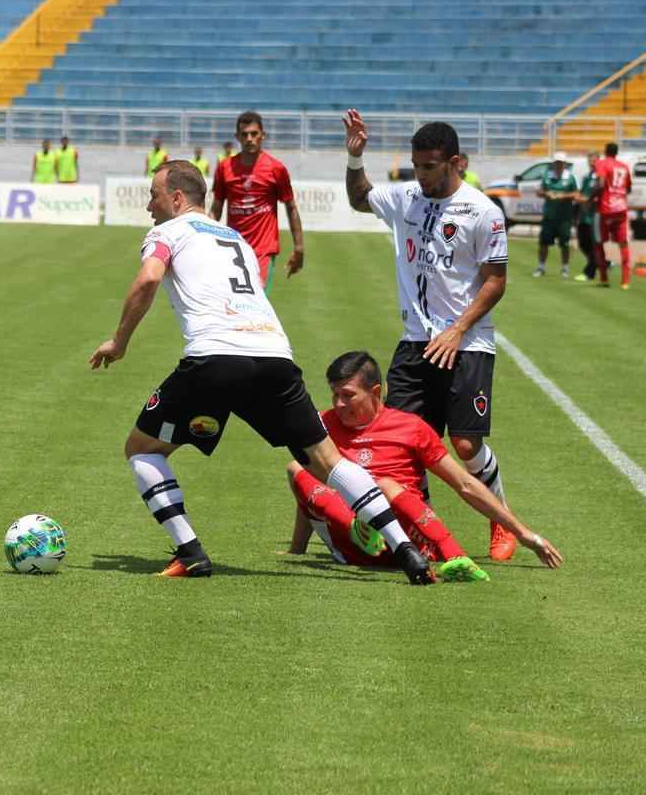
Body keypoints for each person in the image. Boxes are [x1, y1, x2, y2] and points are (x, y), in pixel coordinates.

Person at [88, 160, 434, 584]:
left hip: (214, 357)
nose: (148, 205)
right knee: (328, 460)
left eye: (153, 195)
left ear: (177, 198)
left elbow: (147, 280)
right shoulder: (234, 237)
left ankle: (191, 552)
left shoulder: (167, 232)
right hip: (274, 355)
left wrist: (119, 341)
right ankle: (406, 549)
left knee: (142, 449)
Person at [342, 110, 518, 562]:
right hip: (416, 341)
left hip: (467, 342)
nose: (419, 177)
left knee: (464, 444)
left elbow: (495, 280)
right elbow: (360, 198)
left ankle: (500, 518)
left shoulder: (483, 212)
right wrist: (355, 157)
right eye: (416, 166)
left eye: (429, 168)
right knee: (401, 442)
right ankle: (423, 531)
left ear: (455, 162)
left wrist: (458, 330)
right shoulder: (407, 198)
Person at [286, 351, 564, 578]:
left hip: (410, 538)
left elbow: (465, 484)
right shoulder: (325, 424)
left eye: (348, 395)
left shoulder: (411, 428)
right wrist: (296, 549)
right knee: (298, 467)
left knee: (383, 486)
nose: (339, 403)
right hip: (351, 543)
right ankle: (359, 529)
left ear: (376, 391)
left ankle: (453, 555)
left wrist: (525, 534)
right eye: (335, 395)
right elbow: (308, 494)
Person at [210, 110, 305, 291]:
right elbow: (216, 207)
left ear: (263, 135)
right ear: (237, 137)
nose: (249, 139)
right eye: (244, 134)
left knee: (255, 303)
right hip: (232, 249)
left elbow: (291, 207)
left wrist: (299, 247)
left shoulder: (276, 169)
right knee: (233, 307)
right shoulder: (224, 168)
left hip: (263, 251)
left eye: (254, 134)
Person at [592, 142, 632, 289]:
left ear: (605, 151)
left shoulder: (602, 163)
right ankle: (625, 281)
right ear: (616, 152)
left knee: (599, 242)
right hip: (621, 209)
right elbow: (628, 187)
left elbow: (601, 184)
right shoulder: (624, 166)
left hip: (605, 209)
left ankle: (604, 278)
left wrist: (591, 198)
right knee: (623, 244)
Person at [534, 151, 579, 278]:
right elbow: (539, 191)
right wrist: (547, 194)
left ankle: (565, 268)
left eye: (561, 163)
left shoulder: (570, 177)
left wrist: (562, 196)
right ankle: (541, 267)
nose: (558, 165)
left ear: (564, 164)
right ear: (554, 163)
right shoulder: (547, 176)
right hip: (549, 216)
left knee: (564, 243)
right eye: (556, 162)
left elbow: (576, 194)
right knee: (543, 242)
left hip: (564, 217)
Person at [575, 152, 601, 282]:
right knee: (582, 244)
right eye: (589, 160)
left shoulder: (600, 177)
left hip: (594, 216)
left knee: (592, 244)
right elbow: (581, 193)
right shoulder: (587, 177)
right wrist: (579, 197)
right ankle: (604, 263)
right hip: (584, 216)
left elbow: (598, 195)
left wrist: (587, 200)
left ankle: (589, 272)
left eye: (594, 160)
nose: (591, 162)